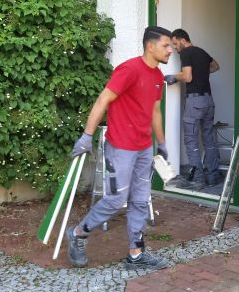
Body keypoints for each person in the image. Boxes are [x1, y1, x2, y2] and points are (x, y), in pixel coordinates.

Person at [65, 26, 174, 270]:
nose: (171, 50)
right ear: (150, 46)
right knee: (115, 200)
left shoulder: (157, 77)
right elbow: (103, 99)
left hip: (144, 148)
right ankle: (79, 233)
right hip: (121, 148)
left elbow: (155, 111)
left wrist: (162, 142)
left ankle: (136, 254)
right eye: (166, 45)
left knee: (140, 200)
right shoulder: (129, 69)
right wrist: (86, 137)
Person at [164, 29, 221, 190]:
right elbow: (216, 66)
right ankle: (212, 177)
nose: (175, 48)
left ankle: (197, 180)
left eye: (175, 43)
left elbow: (187, 77)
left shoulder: (186, 52)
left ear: (183, 40)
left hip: (195, 102)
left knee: (191, 141)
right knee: (209, 141)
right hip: (208, 100)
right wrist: (201, 72)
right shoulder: (202, 52)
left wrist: (174, 77)